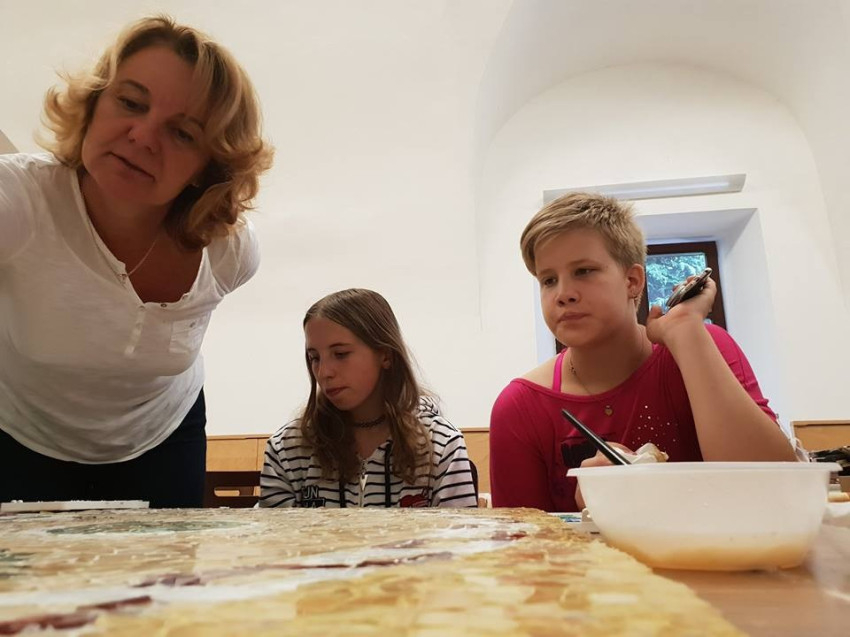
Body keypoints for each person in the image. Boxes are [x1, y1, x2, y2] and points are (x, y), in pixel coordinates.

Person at [0, 15, 273, 507]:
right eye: (130, 102)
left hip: (162, 438)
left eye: (182, 133)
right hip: (22, 434)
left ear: (208, 166)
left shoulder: (229, 252)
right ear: (93, 103)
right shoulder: (19, 199)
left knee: (163, 560)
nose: (143, 137)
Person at [489, 192, 797, 512]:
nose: (563, 294)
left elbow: (777, 492)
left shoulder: (703, 346)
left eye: (584, 271)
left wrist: (687, 332)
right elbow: (523, 537)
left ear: (633, 281)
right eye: (548, 280)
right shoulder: (520, 408)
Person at [260, 288, 478, 508]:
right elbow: (275, 531)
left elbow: (458, 531)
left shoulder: (441, 445)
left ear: (385, 355)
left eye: (341, 354)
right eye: (314, 358)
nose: (324, 372)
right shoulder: (286, 450)